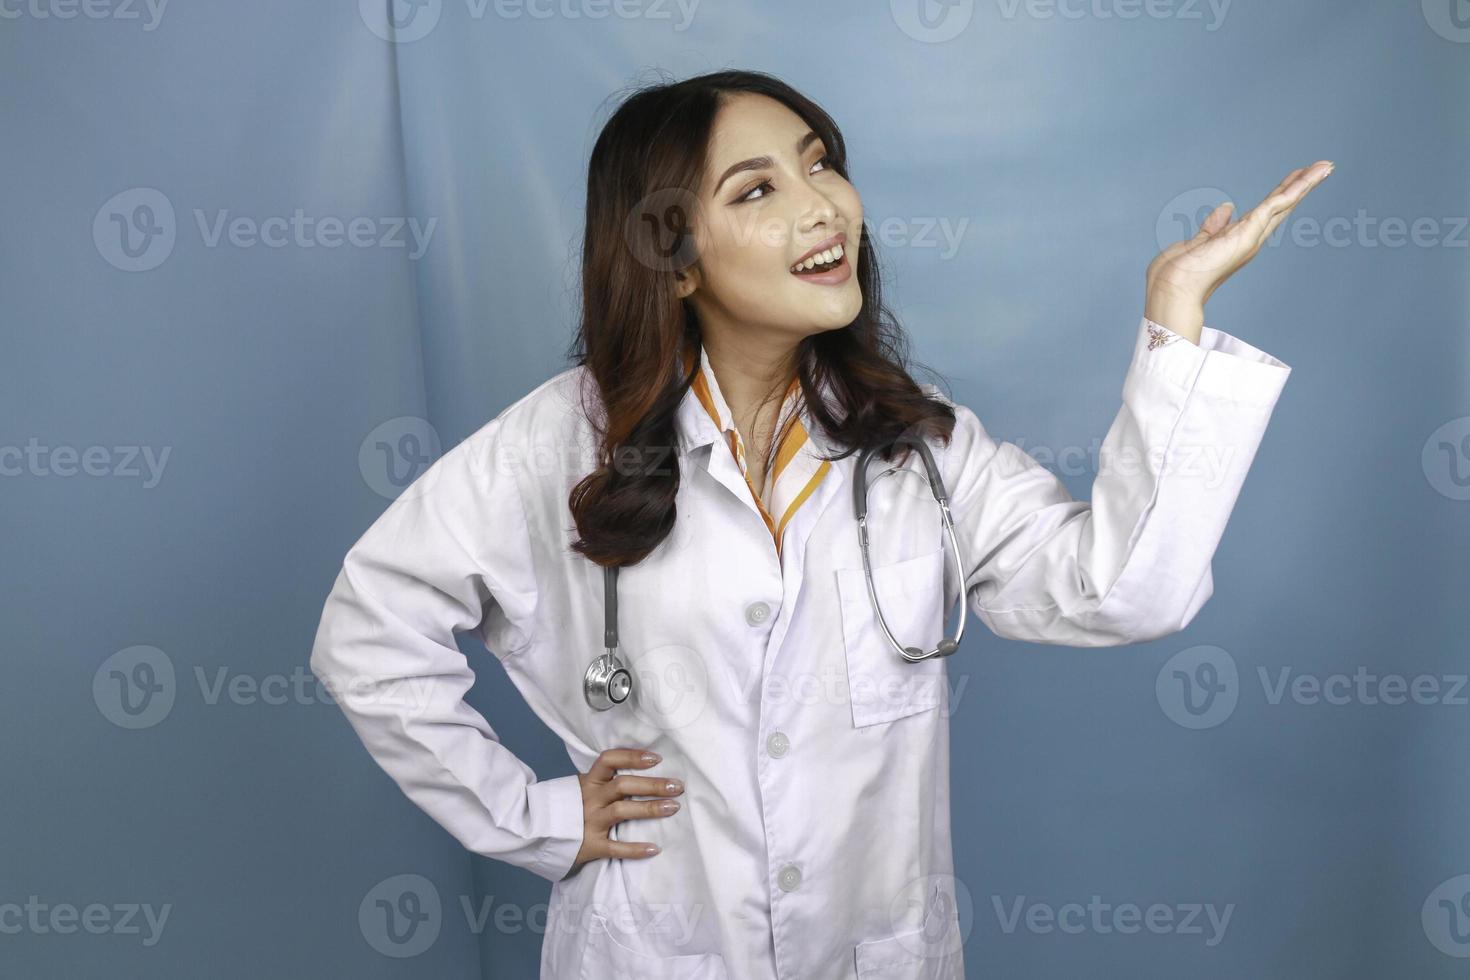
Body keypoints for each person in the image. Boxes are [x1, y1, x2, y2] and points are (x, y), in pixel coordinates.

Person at [309, 68, 1327, 980]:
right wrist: (533, 816)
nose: (823, 207)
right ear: (675, 260)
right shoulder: (561, 441)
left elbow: (1127, 588)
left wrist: (1176, 312)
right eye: (758, 190)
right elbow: (370, 627)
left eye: (821, 165)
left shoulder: (918, 447)